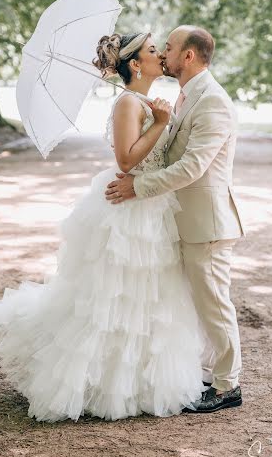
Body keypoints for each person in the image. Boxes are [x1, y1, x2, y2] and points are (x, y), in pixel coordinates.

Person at [0, 31, 212, 423]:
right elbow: (125, 161)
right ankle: (103, 384)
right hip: (128, 207)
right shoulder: (127, 102)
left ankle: (143, 380)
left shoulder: (146, 101)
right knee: (115, 297)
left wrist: (161, 119)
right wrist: (159, 124)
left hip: (153, 206)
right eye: (153, 51)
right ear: (136, 64)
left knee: (153, 297)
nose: (161, 56)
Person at [105, 26, 245, 413]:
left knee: (215, 303)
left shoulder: (213, 101)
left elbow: (193, 167)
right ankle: (209, 374)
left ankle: (228, 386)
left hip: (208, 222)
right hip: (181, 220)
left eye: (168, 47)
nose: (163, 53)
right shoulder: (184, 97)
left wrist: (140, 186)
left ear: (188, 56)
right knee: (196, 303)